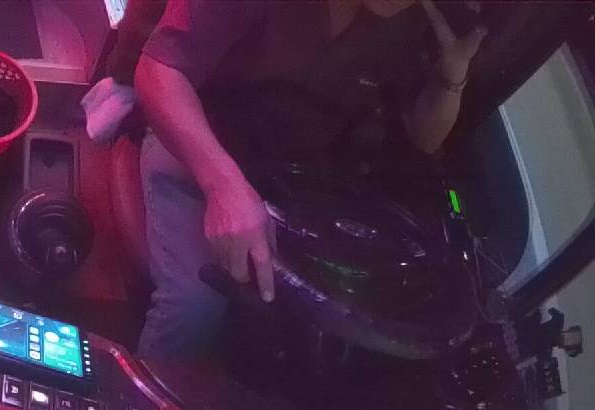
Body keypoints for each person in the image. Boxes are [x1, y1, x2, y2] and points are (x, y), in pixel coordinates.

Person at [114, 0, 488, 358]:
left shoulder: (407, 24)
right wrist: (225, 186)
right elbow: (160, 72)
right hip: (199, 138)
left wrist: (453, 73)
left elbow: (422, 139)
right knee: (197, 302)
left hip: (293, 178)